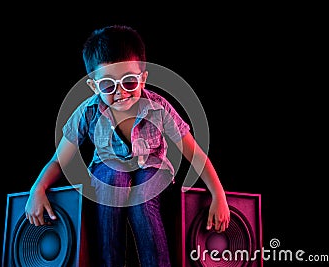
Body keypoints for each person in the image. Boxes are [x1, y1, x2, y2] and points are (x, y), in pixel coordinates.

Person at [25, 24, 230, 267]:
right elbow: (59, 160)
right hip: (108, 178)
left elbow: (194, 154)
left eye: (129, 82)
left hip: (153, 175)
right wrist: (37, 189)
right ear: (94, 86)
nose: (121, 92)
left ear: (143, 78)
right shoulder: (88, 111)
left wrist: (219, 194)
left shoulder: (158, 108)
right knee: (114, 177)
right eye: (108, 86)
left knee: (143, 190)